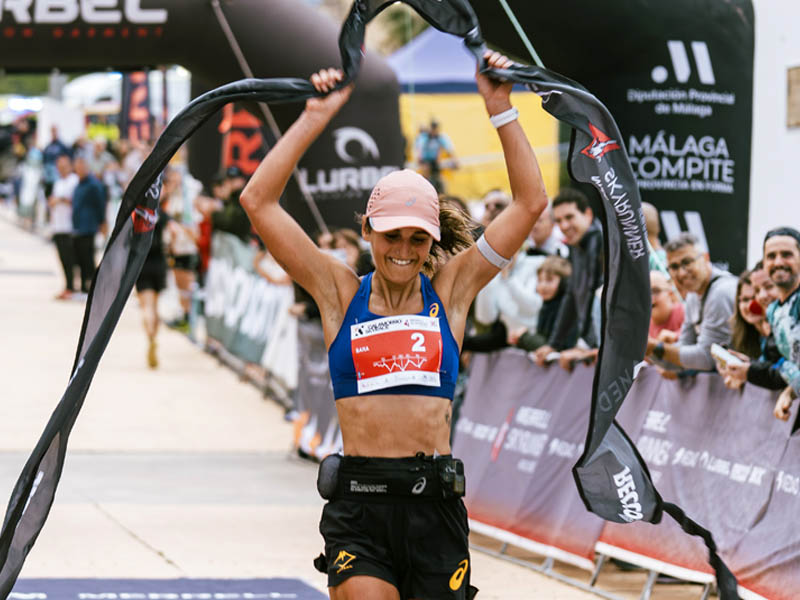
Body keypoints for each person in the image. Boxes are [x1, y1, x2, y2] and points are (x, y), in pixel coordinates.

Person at [239, 52, 547, 600]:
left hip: (435, 511)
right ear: (368, 232)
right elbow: (258, 202)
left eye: (417, 238)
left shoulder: (451, 292)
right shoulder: (337, 292)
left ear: (431, 240)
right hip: (360, 507)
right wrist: (313, 117)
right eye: (391, 236)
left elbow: (530, 202)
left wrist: (500, 108)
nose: (403, 250)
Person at [644, 232, 736, 372]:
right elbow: (683, 354)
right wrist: (650, 350)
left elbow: (706, 359)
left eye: (687, 262)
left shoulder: (721, 292)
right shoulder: (693, 295)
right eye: (674, 267)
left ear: (705, 258)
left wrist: (655, 348)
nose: (681, 273)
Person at [533, 188, 603, 365]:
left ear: (587, 214)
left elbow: (605, 298)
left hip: (607, 349)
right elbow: (572, 297)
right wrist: (553, 345)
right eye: (558, 220)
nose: (564, 226)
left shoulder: (604, 243)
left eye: (569, 217)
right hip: (594, 347)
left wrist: (595, 348)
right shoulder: (576, 247)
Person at [715, 265, 786, 391]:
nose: (750, 305)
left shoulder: (782, 330)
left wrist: (749, 371)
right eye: (744, 300)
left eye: (753, 297)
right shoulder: (743, 335)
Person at [763, 228, 800, 421]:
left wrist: (788, 392)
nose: (778, 262)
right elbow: (778, 362)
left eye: (787, 255)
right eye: (771, 256)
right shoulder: (773, 311)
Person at [511, 255, 574, 353]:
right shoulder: (546, 306)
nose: (543, 286)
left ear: (564, 282)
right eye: (540, 280)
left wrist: (523, 337)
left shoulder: (566, 309)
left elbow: (553, 347)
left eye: (549, 280)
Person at [135, 199, 170, 368]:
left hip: (142, 262)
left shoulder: (136, 214)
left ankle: (149, 337)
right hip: (159, 262)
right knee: (155, 306)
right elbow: (173, 234)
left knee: (146, 307)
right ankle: (154, 336)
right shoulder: (162, 214)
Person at [71, 153, 107, 295]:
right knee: (79, 258)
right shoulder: (78, 184)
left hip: (89, 226)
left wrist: (102, 222)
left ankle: (91, 288)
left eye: (82, 166)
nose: (80, 168)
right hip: (78, 226)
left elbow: (100, 204)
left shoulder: (93, 184)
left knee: (88, 258)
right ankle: (83, 287)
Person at [48, 154, 79, 300]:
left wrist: (59, 200)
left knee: (70, 258)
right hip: (58, 226)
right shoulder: (58, 182)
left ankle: (73, 286)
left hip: (69, 226)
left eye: (63, 167)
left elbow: (73, 200)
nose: (61, 169)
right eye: (59, 167)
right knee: (62, 258)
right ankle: (67, 286)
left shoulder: (74, 181)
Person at [414, 120, 457, 194]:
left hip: (434, 161)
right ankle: (424, 190)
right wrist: (420, 160)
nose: (434, 131)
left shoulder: (440, 137)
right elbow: (419, 148)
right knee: (425, 176)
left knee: (439, 178)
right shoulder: (424, 137)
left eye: (435, 129)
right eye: (433, 129)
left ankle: (442, 193)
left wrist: (455, 160)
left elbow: (449, 149)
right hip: (425, 160)